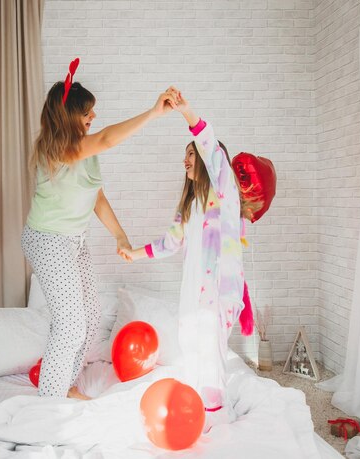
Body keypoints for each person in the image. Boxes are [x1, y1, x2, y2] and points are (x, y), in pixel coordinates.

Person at [22, 59, 177, 400]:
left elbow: (97, 197)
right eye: (86, 113)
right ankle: (50, 400)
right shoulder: (58, 148)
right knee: (71, 323)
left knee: (90, 320)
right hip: (47, 241)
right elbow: (107, 139)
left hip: (73, 241)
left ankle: (65, 384)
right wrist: (152, 113)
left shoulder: (86, 150)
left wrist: (120, 236)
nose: (93, 118)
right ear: (67, 117)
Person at [121, 91, 247, 427]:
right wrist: (135, 253)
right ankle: (199, 408)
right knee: (191, 345)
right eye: (185, 155)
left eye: (191, 154)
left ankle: (218, 416)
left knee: (210, 350)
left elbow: (209, 147)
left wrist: (186, 112)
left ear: (207, 160)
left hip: (219, 291)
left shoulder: (225, 195)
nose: (186, 160)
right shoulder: (190, 206)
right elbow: (169, 242)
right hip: (193, 292)